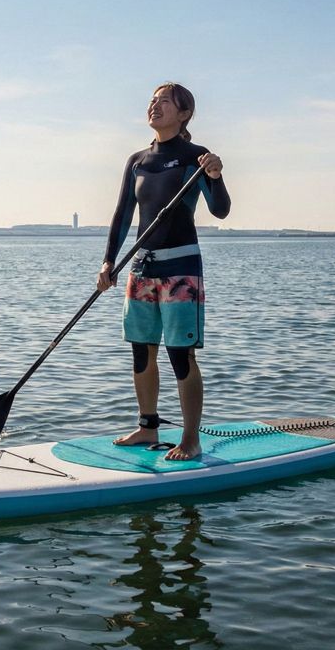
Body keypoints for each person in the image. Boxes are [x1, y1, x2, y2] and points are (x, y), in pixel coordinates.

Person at [96, 82, 230, 461]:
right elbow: (122, 216)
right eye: (152, 101)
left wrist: (216, 176)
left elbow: (220, 210)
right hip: (141, 269)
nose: (154, 106)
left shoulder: (197, 157)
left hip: (181, 270)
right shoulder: (137, 159)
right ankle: (147, 426)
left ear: (184, 113)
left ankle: (190, 439)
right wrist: (108, 262)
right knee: (142, 352)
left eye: (164, 102)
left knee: (180, 354)